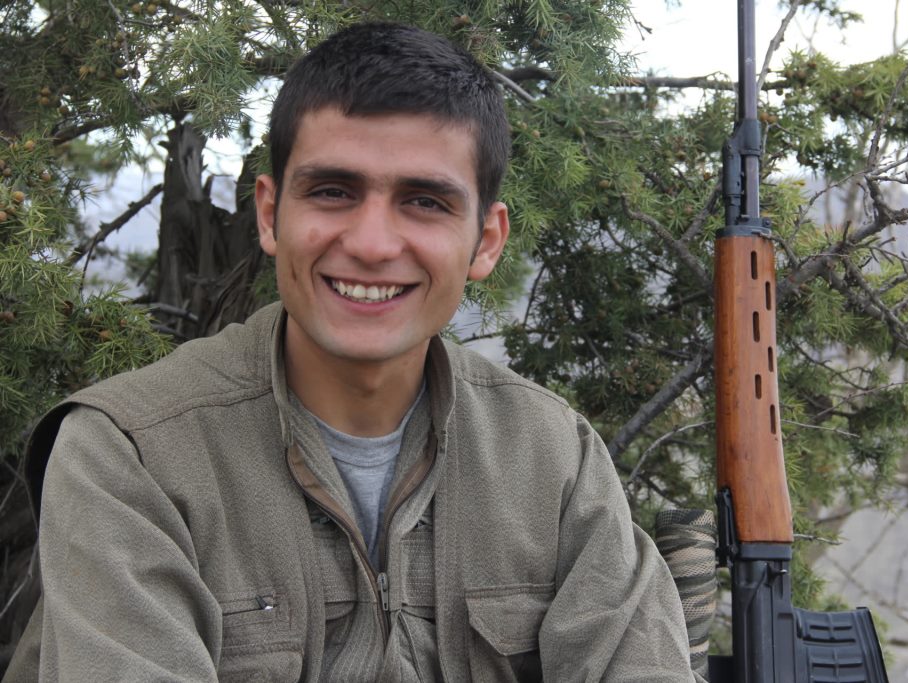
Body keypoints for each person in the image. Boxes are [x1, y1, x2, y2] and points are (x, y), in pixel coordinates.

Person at [4, 22, 695, 682]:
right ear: (270, 214)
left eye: (425, 201)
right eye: (333, 191)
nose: (370, 243)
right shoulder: (132, 456)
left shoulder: (554, 459)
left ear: (486, 240)